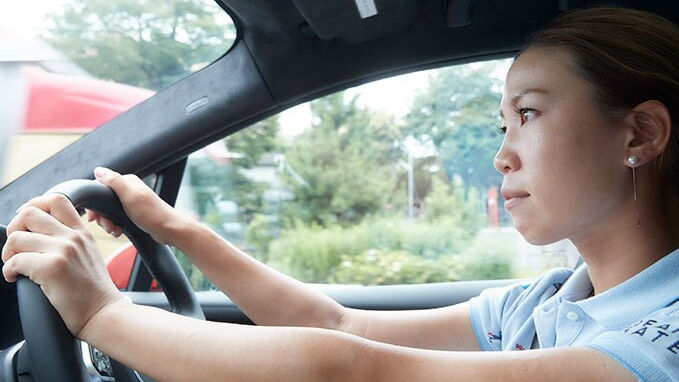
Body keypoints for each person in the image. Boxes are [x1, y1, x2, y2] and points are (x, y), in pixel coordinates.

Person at [2, 6, 679, 381]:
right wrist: (179, 230)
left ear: (641, 133)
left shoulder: (662, 337)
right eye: (502, 124)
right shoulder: (542, 302)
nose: (502, 154)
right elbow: (336, 325)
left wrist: (100, 317)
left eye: (528, 115)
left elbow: (351, 369)